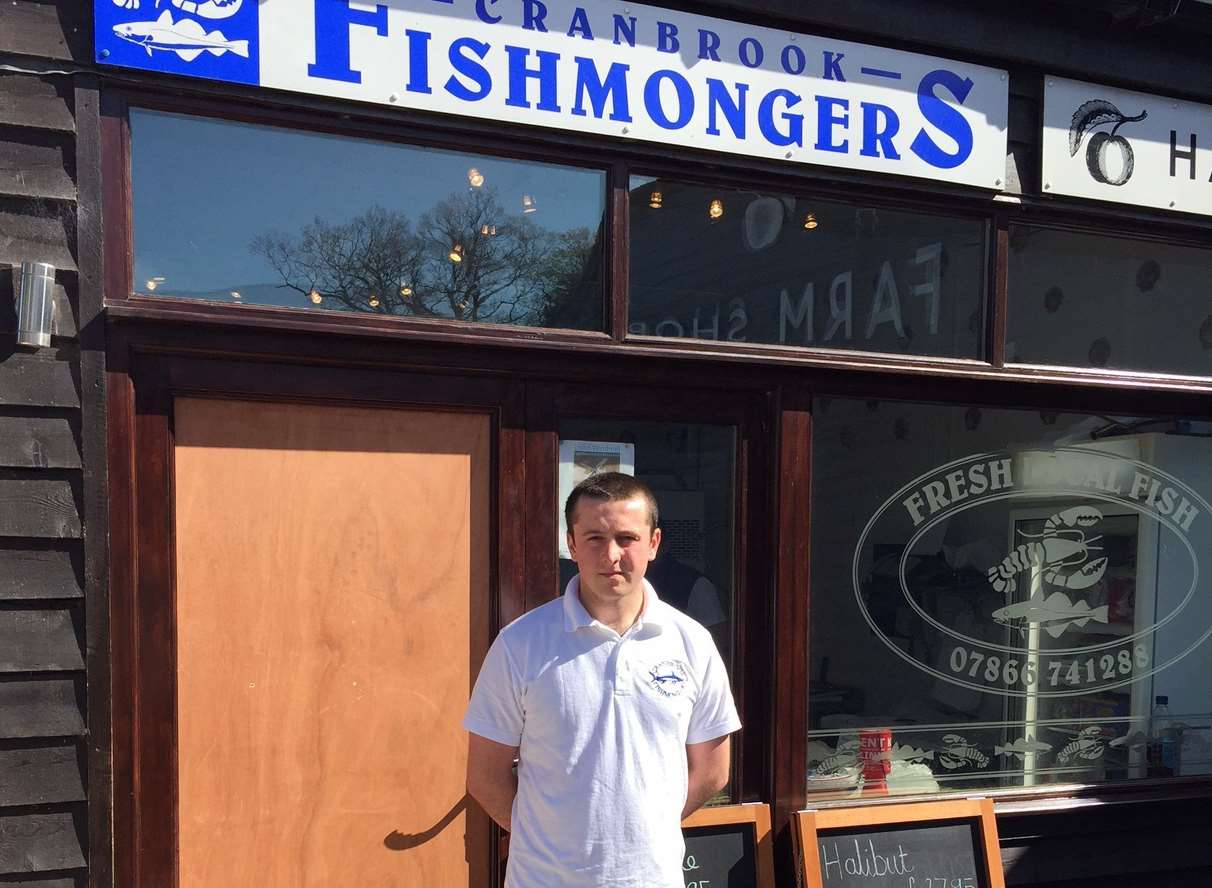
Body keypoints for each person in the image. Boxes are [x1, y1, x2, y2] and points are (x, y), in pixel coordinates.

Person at [463, 472, 741, 888]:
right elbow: (485, 774)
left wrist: (644, 830)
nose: (611, 555)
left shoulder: (692, 643)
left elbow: (714, 770)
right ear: (571, 544)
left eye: (627, 538)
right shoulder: (520, 643)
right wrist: (551, 840)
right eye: (594, 538)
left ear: (654, 543)